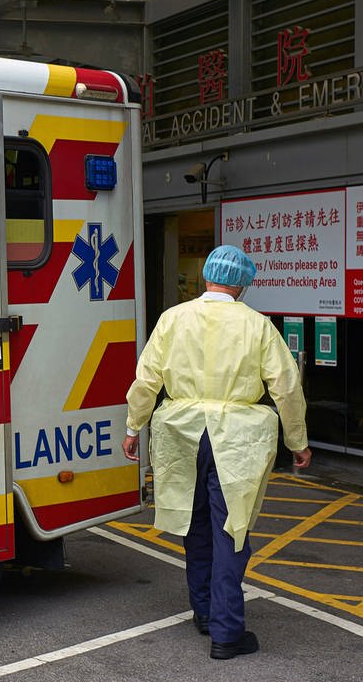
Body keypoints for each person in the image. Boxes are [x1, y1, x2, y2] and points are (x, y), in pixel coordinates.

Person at [121, 245, 311, 660]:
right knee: (232, 529)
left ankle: (205, 612)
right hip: (235, 439)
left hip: (181, 434)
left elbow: (147, 377)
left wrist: (134, 426)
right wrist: (298, 441)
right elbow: (286, 386)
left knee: (197, 526)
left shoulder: (173, 319)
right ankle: (227, 632)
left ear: (207, 275)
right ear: (242, 283)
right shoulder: (258, 326)